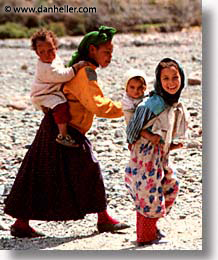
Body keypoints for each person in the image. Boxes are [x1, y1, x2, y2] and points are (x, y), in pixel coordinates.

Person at [4, 25, 129, 238]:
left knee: (40, 173)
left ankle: (21, 223)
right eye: (106, 52)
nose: (109, 56)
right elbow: (97, 105)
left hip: (56, 126)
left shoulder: (78, 69)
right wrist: (129, 108)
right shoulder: (85, 72)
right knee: (90, 168)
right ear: (92, 50)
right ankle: (103, 219)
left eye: (111, 52)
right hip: (66, 131)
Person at [125, 58, 188, 246]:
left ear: (181, 78)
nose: (171, 83)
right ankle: (145, 236)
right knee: (148, 191)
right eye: (165, 78)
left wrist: (169, 145)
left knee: (169, 186)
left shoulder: (170, 102)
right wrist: (140, 141)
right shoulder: (153, 103)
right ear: (158, 81)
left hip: (160, 153)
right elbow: (133, 128)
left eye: (175, 77)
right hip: (146, 154)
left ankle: (151, 228)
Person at [31, 29, 89, 147]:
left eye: (50, 50)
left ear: (56, 47)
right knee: (61, 106)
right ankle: (63, 135)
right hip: (43, 94)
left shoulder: (54, 59)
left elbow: (62, 68)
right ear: (37, 53)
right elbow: (62, 75)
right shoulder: (45, 68)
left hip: (51, 90)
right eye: (42, 52)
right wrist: (76, 67)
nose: (47, 54)